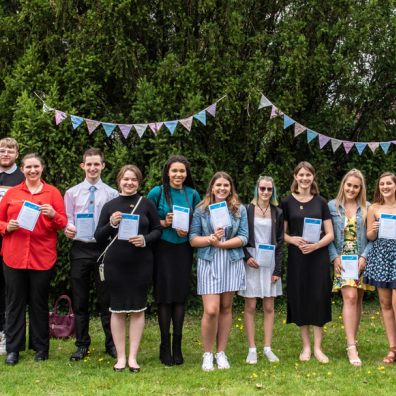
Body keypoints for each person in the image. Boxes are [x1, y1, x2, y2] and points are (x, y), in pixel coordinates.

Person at [0, 153, 67, 365]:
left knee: (39, 304)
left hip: (42, 256)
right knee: (14, 303)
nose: (32, 170)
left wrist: (52, 215)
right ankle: (13, 349)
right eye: (28, 167)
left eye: (36, 166)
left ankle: (40, 348)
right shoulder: (12, 193)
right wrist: (5, 227)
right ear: (22, 169)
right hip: (14, 256)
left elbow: (63, 222)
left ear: (42, 168)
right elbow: (0, 220)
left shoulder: (53, 193)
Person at [94, 165, 161, 372]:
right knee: (117, 310)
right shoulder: (110, 205)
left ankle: (133, 357)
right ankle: (120, 357)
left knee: (138, 309)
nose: (129, 183)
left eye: (133, 180)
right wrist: (111, 224)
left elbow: (157, 230)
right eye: (126, 179)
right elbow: (98, 237)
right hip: (116, 264)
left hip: (141, 263)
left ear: (138, 183)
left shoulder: (147, 204)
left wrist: (145, 238)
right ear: (119, 181)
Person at [190, 171, 248, 371]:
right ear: (212, 188)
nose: (222, 188)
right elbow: (193, 238)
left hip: (231, 260)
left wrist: (223, 245)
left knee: (225, 308)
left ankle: (221, 353)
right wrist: (210, 240)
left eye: (226, 185)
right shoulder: (201, 210)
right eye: (218, 185)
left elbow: (244, 237)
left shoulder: (239, 210)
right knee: (211, 309)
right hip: (209, 260)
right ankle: (207, 353)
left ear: (231, 188)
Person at [64, 148, 118, 361]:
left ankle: (111, 343)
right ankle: (81, 344)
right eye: (89, 164)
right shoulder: (72, 192)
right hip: (80, 249)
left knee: (107, 300)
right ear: (82, 166)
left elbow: (116, 224)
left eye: (97, 164)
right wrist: (68, 227)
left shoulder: (112, 193)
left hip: (104, 249)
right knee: (80, 300)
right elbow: (67, 218)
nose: (93, 168)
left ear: (103, 166)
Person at [147, 155, 200, 366]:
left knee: (179, 297)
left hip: (183, 249)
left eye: (182, 171)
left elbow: (198, 222)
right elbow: (146, 221)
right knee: (164, 298)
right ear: (167, 172)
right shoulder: (157, 192)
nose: (178, 175)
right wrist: (163, 221)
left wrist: (187, 229)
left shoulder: (193, 194)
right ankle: (164, 346)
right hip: (162, 249)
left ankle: (177, 345)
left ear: (187, 174)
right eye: (174, 171)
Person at [281, 161, 334, 363]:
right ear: (295, 177)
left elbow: (330, 234)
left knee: (318, 298)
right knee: (301, 298)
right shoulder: (286, 203)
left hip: (318, 257)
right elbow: (281, 234)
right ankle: (305, 347)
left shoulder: (321, 202)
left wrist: (316, 246)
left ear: (313, 177)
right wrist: (292, 239)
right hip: (297, 258)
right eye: (301, 175)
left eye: (308, 175)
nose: (304, 178)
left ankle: (319, 348)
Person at [328, 169, 374, 367]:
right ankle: (351, 347)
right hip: (343, 259)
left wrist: (364, 257)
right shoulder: (332, 206)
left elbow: (374, 237)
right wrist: (333, 257)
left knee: (359, 298)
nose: (352, 189)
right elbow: (327, 234)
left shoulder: (368, 208)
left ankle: (352, 340)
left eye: (356, 186)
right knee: (350, 297)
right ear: (343, 185)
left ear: (360, 188)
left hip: (361, 259)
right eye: (349, 185)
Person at [239, 176, 284, 364]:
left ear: (273, 191)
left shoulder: (277, 212)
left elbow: (280, 242)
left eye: (269, 189)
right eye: (262, 188)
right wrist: (247, 257)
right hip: (252, 261)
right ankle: (252, 349)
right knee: (250, 306)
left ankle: (267, 347)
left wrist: (278, 270)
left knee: (268, 306)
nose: (266, 192)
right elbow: (239, 235)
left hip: (270, 261)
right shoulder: (246, 210)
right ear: (256, 189)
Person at [363, 172, 396, 364]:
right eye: (382, 184)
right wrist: (373, 230)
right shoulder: (374, 208)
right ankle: (392, 348)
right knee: (385, 305)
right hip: (382, 258)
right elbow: (370, 237)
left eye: (389, 183)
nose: (385, 187)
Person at [0, 138, 24, 356]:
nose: (5, 153)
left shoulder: (23, 178)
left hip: (14, 242)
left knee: (11, 292)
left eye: (10, 150)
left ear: (17, 153)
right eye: (1, 150)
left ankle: (9, 335)